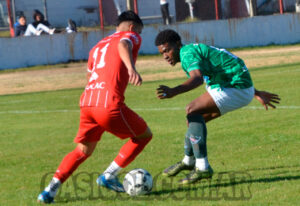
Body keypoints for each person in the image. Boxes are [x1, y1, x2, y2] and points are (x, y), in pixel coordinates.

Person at [38, 11, 152, 203]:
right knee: (144, 135)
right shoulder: (130, 35)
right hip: (108, 103)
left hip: (88, 101)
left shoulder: (98, 45)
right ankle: (108, 176)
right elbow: (124, 44)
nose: (138, 35)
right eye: (138, 31)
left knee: (82, 151)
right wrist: (131, 68)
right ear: (133, 27)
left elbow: (89, 75)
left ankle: (49, 191)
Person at [154, 29, 280, 184]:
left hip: (234, 87)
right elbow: (228, 65)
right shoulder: (190, 50)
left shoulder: (187, 53)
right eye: (162, 53)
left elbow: (197, 79)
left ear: (178, 44)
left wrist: (174, 91)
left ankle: (202, 168)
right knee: (194, 121)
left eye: (167, 51)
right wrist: (255, 92)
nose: (165, 56)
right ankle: (189, 161)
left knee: (192, 109)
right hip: (237, 86)